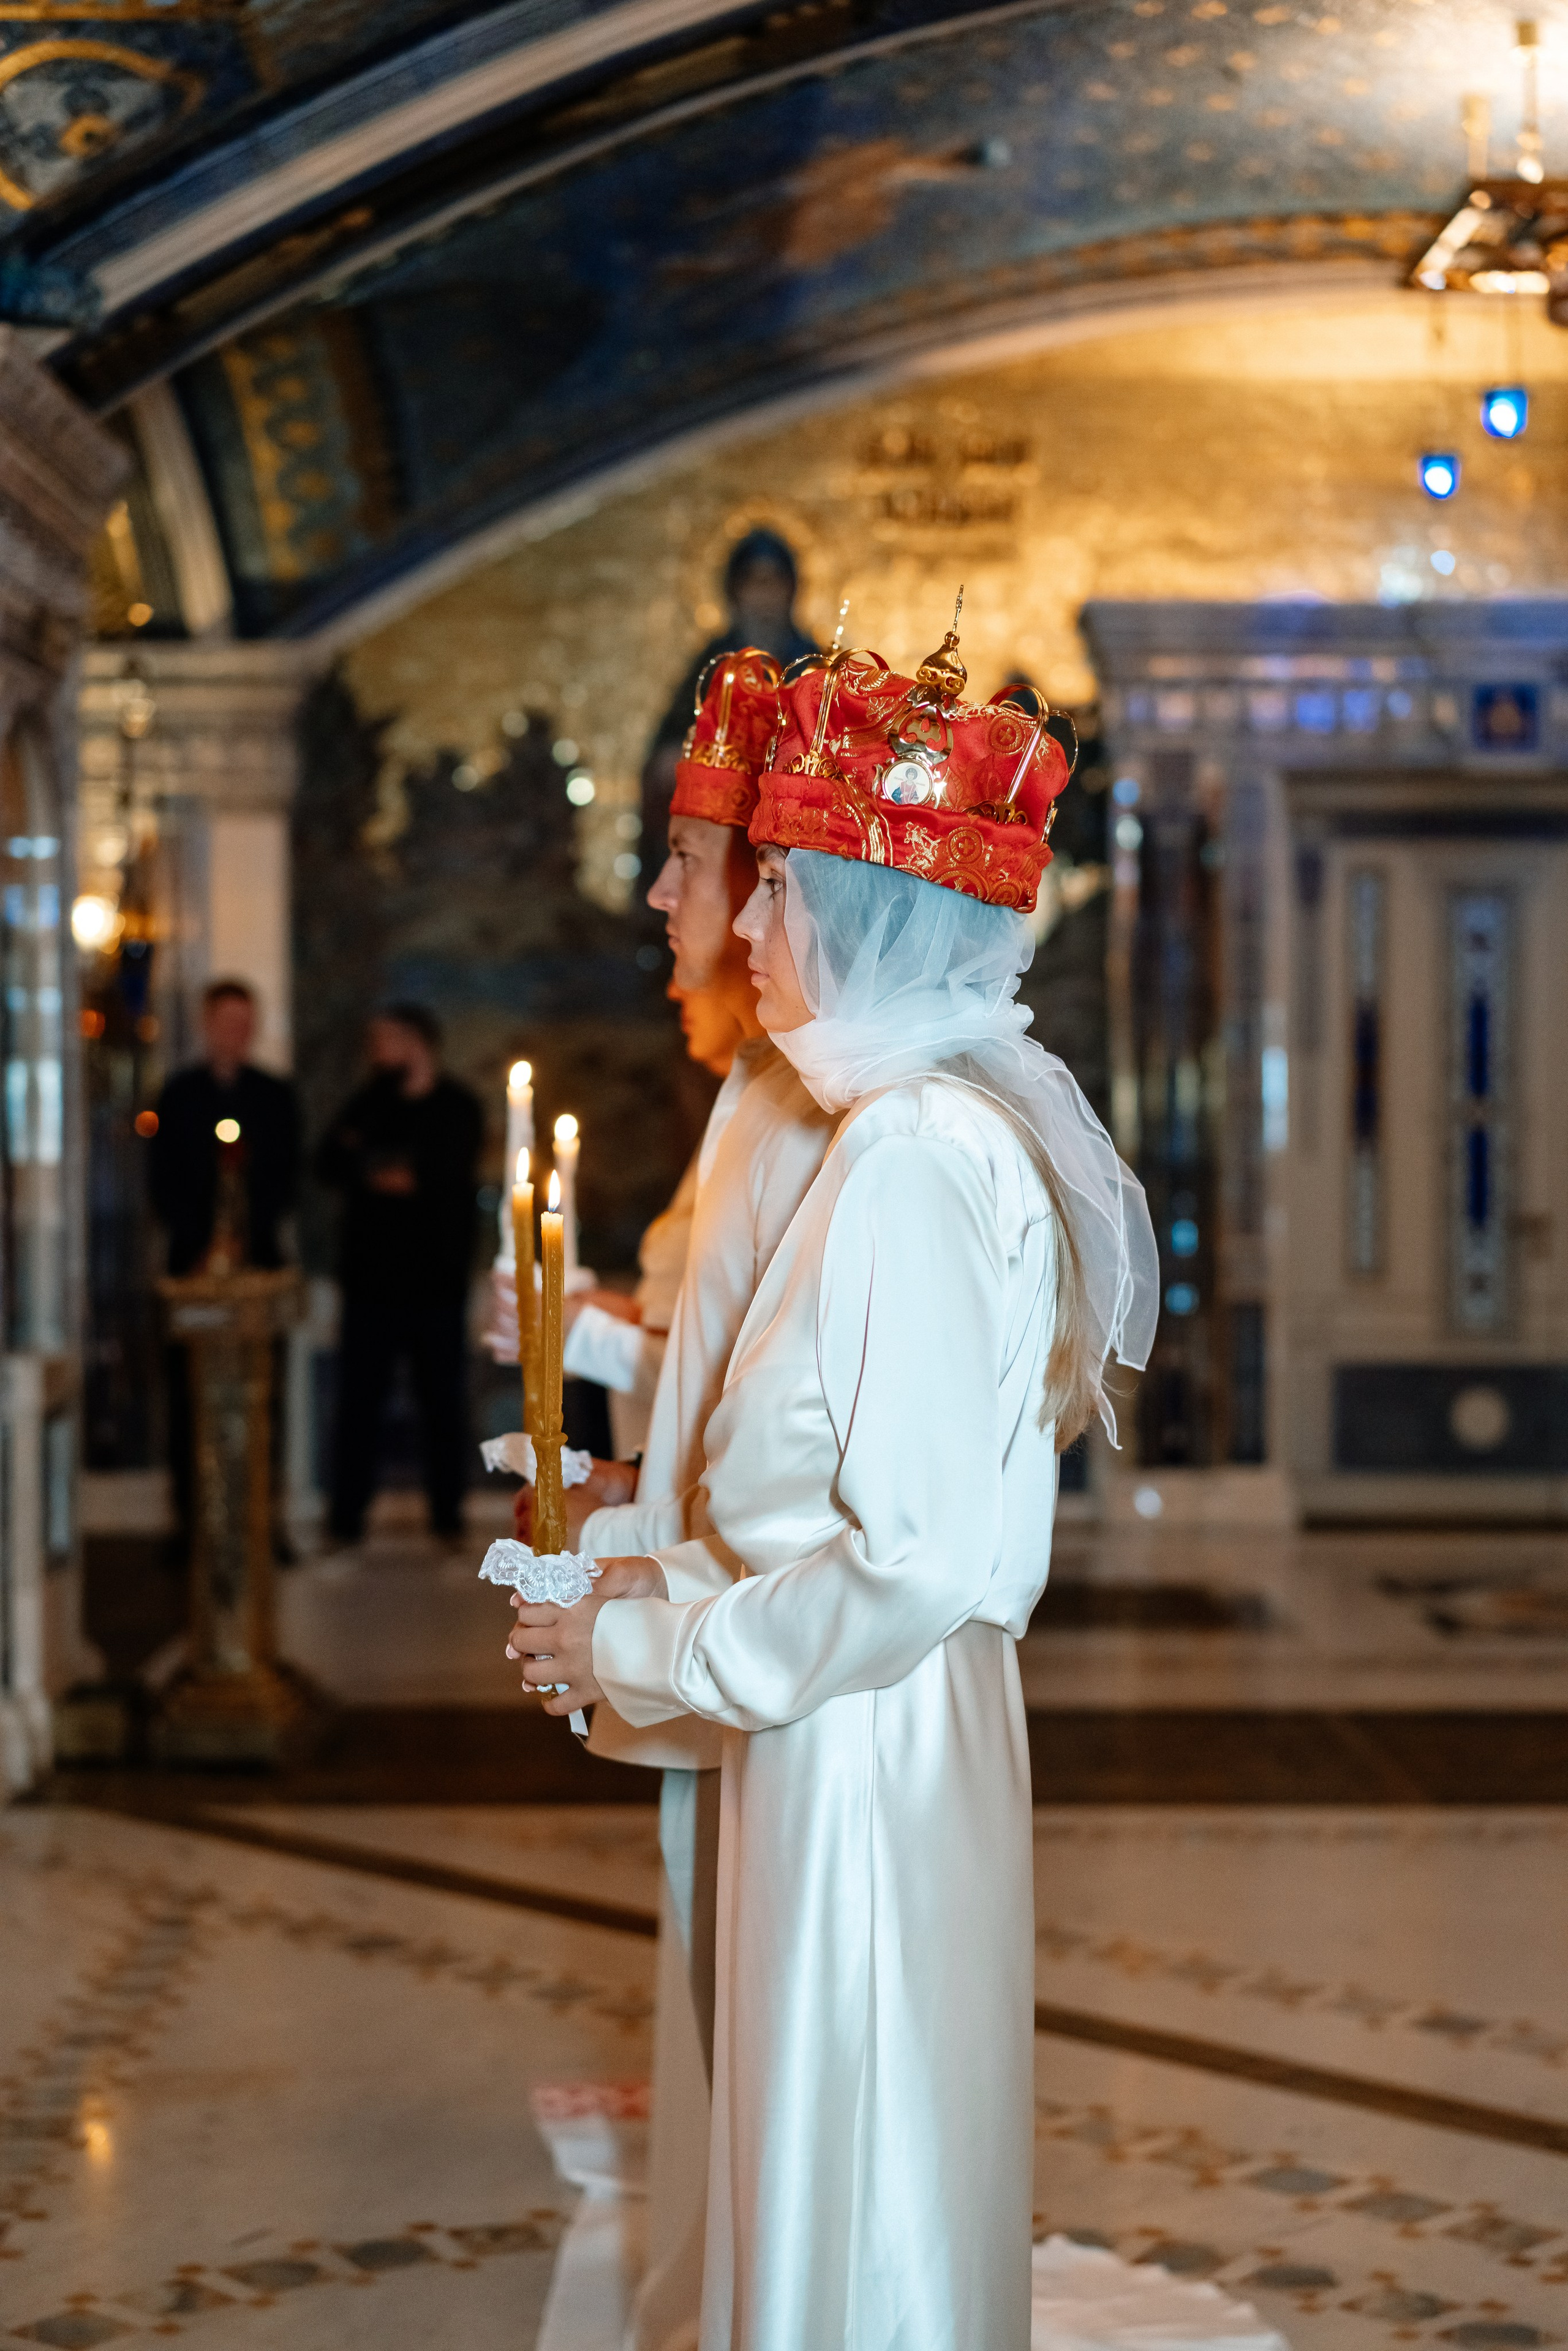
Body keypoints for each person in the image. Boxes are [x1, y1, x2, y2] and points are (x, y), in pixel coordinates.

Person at [508, 622, 1159, 2349]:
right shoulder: (917, 1129)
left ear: (858, 913)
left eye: (775, 885)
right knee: (847, 2147)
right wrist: (649, 1579)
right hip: (857, 1705)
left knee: (852, 2150)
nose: (741, 923)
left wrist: (639, 1652)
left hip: (859, 1720)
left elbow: (920, 1548)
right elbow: (826, 1483)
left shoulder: (910, 1154)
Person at [495, 646, 834, 2351]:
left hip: (752, 1615)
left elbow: (775, 1404)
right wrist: (611, 1418)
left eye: (683, 862)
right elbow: (711, 1368)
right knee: (718, 1981)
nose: (656, 891)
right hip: (702, 1587)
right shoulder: (740, 1093)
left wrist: (628, 1419)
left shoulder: (799, 1106)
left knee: (764, 1992)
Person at [315, 1003, 483, 1550]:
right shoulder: (369, 1104)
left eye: (384, 1040)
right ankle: (345, 1523)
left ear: (415, 1041)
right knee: (358, 1405)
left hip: (436, 1284)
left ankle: (447, 1521)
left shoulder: (459, 1107)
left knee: (443, 1405)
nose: (375, 1053)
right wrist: (376, 1167)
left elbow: (436, 1178)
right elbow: (326, 1164)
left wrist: (383, 1168)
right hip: (371, 1286)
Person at [148, 978, 301, 1553]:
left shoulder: (273, 1095)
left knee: (265, 1402)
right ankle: (192, 1527)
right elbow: (165, 1181)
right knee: (189, 1403)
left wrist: (240, 1241)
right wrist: (203, 1244)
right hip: (192, 1270)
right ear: (208, 1026)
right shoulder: (180, 1093)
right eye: (226, 1023)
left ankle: (264, 1525)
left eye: (246, 1023)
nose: (235, 1034)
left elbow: (282, 1179)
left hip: (258, 1263)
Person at [642, 529, 817, 875]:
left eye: (773, 584)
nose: (764, 598)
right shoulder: (714, 663)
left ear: (791, 591)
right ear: (736, 593)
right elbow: (674, 738)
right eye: (754, 584)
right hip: (722, 800)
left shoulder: (810, 663)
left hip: (787, 799)